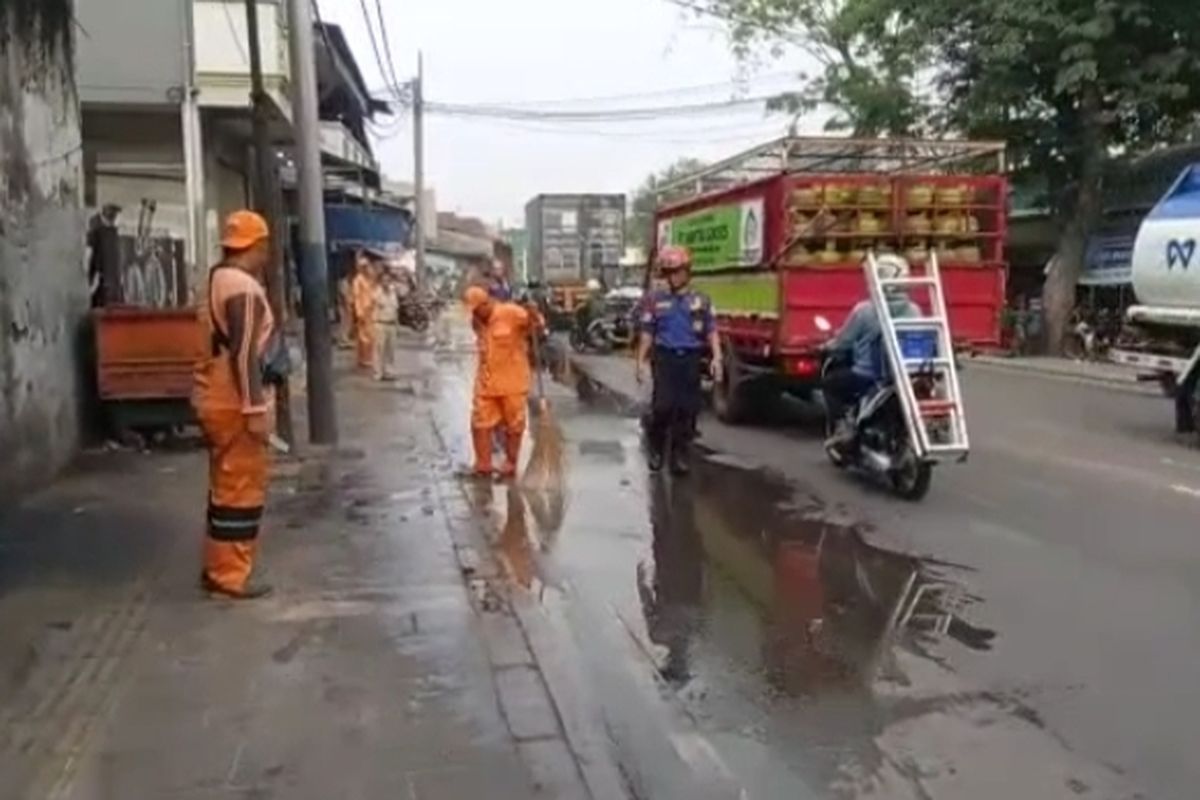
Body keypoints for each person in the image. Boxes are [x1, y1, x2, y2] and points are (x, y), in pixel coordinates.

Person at [192, 210, 279, 600]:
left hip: (214, 392)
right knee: (241, 489)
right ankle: (230, 575)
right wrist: (254, 409)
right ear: (257, 246)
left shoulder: (217, 278)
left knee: (224, 486)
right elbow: (243, 354)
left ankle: (218, 566)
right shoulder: (243, 288)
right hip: (233, 398)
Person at [635, 246, 721, 476]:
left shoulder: (700, 301)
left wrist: (717, 358)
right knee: (663, 407)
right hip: (665, 358)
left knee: (687, 410)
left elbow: (712, 331)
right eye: (668, 272)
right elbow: (647, 333)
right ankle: (656, 448)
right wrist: (640, 362)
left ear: (686, 272)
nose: (672, 277)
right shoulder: (655, 301)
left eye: (676, 271)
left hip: (691, 358)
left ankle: (679, 455)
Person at [822, 254, 922, 448]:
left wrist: (827, 346)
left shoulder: (865, 310)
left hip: (868, 376)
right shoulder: (914, 310)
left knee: (830, 384)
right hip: (906, 377)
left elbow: (844, 342)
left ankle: (843, 427)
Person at [464, 285, 544, 479]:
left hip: (513, 383)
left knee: (514, 425)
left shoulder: (511, 312)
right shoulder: (477, 321)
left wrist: (534, 317)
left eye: (476, 309)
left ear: (486, 303)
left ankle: (510, 463)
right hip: (486, 382)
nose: (474, 314)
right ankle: (483, 464)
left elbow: (537, 327)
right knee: (479, 423)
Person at [372, 269, 400, 381]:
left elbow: (396, 309)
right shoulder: (377, 292)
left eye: (388, 280)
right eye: (384, 280)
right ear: (380, 281)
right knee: (379, 349)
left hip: (391, 324)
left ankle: (389, 371)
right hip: (380, 324)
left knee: (391, 350)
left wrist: (397, 325)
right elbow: (376, 301)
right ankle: (378, 372)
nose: (386, 283)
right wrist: (384, 291)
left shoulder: (393, 293)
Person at [351, 250, 377, 370]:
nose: (367, 269)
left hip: (370, 310)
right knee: (363, 337)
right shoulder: (358, 280)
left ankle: (368, 358)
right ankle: (363, 359)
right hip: (363, 311)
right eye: (365, 267)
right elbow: (356, 297)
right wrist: (359, 312)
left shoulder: (369, 280)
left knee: (371, 336)